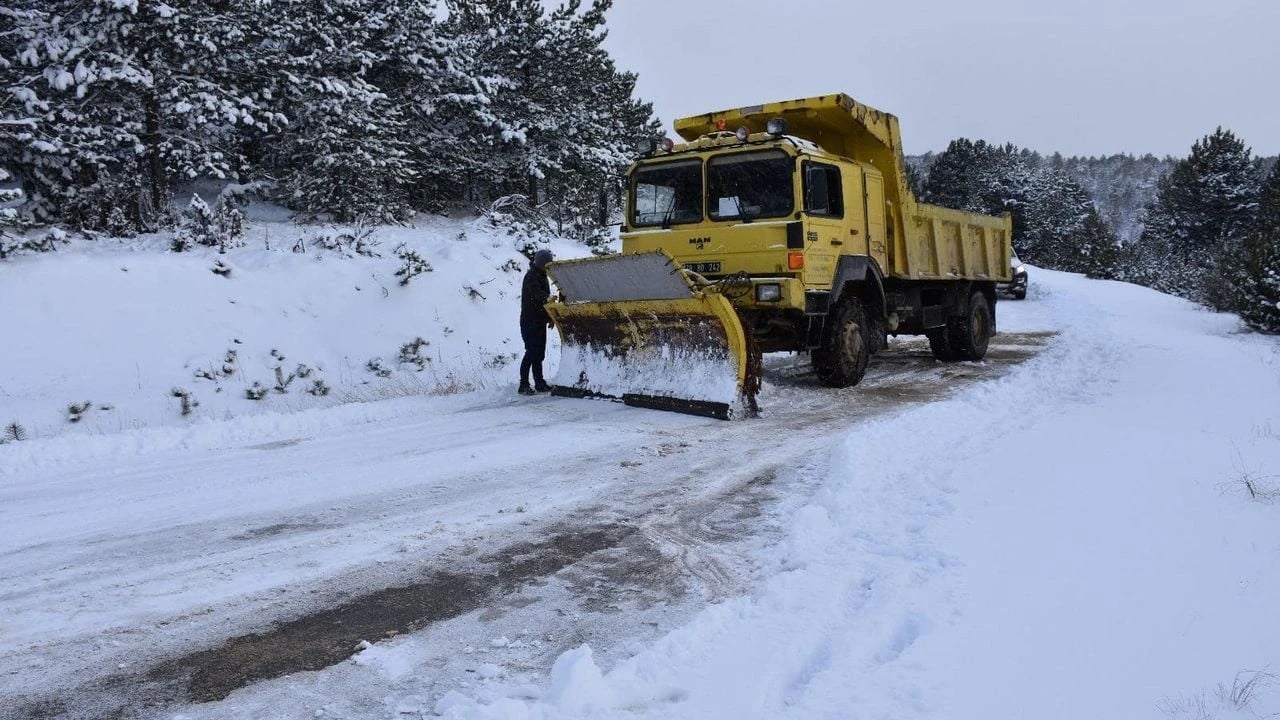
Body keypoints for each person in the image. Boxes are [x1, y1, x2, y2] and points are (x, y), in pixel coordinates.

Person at [518, 248, 554, 395]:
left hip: (539, 321)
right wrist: (547, 298)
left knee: (539, 354)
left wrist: (550, 318)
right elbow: (536, 295)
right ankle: (524, 384)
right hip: (529, 321)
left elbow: (542, 302)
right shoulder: (531, 276)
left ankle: (539, 382)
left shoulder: (543, 275)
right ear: (541, 263)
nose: (549, 266)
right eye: (547, 263)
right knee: (531, 352)